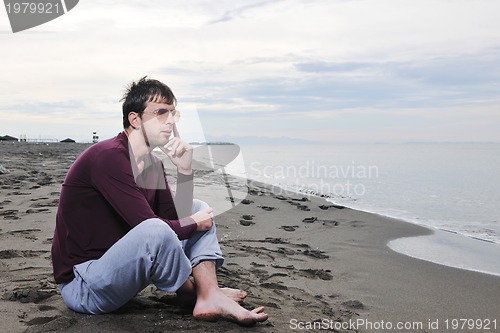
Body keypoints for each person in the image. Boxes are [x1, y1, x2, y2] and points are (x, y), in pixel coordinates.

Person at [51, 77, 268, 325]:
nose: (171, 120)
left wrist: (185, 171)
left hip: (118, 275)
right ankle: (197, 294)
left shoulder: (153, 164)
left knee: (198, 208)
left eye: (173, 113)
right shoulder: (108, 157)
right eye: (161, 112)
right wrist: (194, 224)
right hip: (85, 286)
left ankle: (208, 294)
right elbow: (149, 226)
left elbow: (177, 219)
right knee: (160, 227)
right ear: (135, 119)